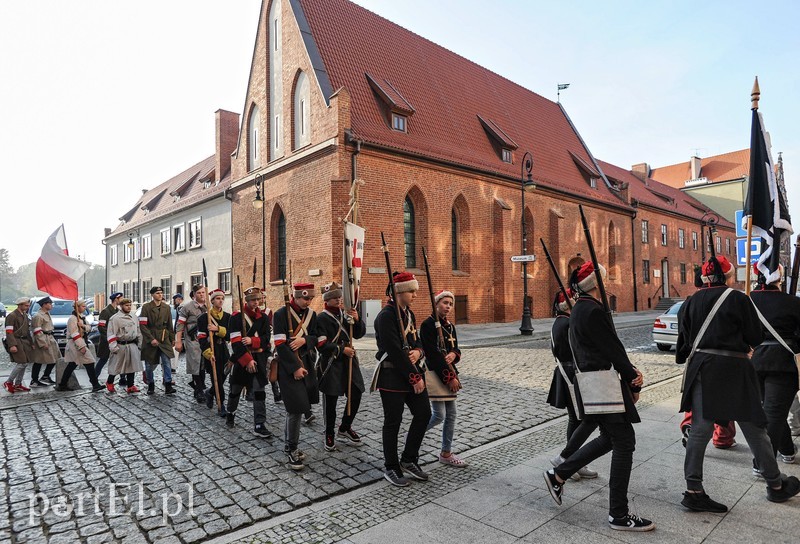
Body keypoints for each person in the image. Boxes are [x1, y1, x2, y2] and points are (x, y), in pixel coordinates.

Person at [677, 256, 800, 512]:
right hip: (734, 368)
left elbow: (683, 346)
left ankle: (694, 489)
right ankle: (775, 485)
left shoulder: (689, 302)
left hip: (702, 367)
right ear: (727, 276)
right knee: (755, 428)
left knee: (700, 430)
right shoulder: (737, 298)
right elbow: (754, 336)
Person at [544, 262, 654, 532]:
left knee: (611, 438)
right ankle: (618, 513)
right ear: (596, 284)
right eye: (604, 280)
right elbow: (613, 350)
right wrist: (632, 377)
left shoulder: (581, 308)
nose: (608, 284)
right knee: (624, 442)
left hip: (593, 382)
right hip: (602, 382)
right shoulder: (592, 310)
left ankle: (560, 474)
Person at [374, 271, 430, 487]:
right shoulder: (386, 316)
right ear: (400, 292)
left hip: (411, 372)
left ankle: (409, 458)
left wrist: (419, 353)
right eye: (412, 291)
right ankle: (391, 466)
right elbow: (394, 351)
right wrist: (415, 377)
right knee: (393, 423)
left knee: (423, 414)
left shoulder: (409, 313)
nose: (415, 295)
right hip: (392, 377)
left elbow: (417, 341)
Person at [545, 289, 598, 480]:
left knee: (576, 419)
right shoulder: (567, 323)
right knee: (580, 419)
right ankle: (570, 461)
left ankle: (576, 461)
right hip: (571, 374)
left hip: (566, 372)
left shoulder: (560, 321)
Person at [750, 263, 800, 464]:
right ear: (779, 278)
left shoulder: (748, 299)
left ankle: (787, 450)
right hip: (781, 363)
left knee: (774, 411)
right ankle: (761, 463)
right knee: (774, 413)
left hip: (754, 362)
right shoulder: (793, 302)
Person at [274, 282, 322, 470]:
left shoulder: (312, 315)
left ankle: (289, 445)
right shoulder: (280, 315)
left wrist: (305, 340)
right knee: (295, 408)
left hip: (307, 363)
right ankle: (291, 448)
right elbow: (280, 344)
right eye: (304, 298)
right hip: (288, 367)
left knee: (299, 408)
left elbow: (317, 337)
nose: (307, 301)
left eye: (310, 298)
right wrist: (294, 368)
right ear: (294, 296)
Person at [317, 281, 367, 452]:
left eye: (339, 297)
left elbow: (358, 334)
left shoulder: (345, 314)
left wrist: (357, 319)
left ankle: (345, 427)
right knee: (331, 400)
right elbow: (321, 345)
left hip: (349, 361)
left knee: (356, 393)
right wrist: (341, 349)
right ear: (327, 300)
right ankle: (329, 433)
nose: (339, 300)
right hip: (332, 363)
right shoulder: (321, 318)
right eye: (335, 298)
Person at [420, 289, 467, 467]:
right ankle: (414, 436)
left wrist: (455, 355)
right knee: (439, 415)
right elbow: (432, 354)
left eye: (450, 304)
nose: (448, 307)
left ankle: (446, 453)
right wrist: (450, 378)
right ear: (436, 303)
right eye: (444, 303)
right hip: (437, 373)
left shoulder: (450, 326)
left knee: (451, 415)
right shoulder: (428, 325)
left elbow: (456, 348)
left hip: (449, 372)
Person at [227, 287, 274, 439]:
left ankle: (259, 424)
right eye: (253, 300)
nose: (256, 302)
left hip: (258, 359)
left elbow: (267, 340)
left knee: (259, 392)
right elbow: (235, 342)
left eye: (258, 299)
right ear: (246, 301)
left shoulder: (264, 318)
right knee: (235, 390)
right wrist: (247, 360)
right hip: (242, 359)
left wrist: (252, 341)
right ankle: (230, 413)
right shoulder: (236, 317)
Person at [56, 300, 104, 392]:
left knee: (73, 364)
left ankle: (62, 384)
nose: (85, 307)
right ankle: (95, 384)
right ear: (77, 307)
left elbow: (89, 327)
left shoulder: (82, 317)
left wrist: (83, 326)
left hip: (81, 342)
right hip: (76, 344)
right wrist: (81, 346)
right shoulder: (72, 319)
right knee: (88, 362)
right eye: (83, 306)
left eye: (85, 306)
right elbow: (74, 334)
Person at [198, 288, 231, 417]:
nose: (220, 301)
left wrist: (217, 329)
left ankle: (210, 392)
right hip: (211, 350)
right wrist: (208, 353)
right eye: (218, 298)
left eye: (222, 298)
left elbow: (229, 335)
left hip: (223, 349)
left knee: (223, 375)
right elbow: (201, 338)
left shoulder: (228, 317)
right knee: (215, 377)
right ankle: (221, 404)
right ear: (212, 301)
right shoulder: (203, 318)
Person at [139, 286, 176, 395]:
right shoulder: (146, 307)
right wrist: (151, 339)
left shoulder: (166, 307)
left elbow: (170, 324)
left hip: (164, 338)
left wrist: (172, 338)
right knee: (149, 364)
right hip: (151, 337)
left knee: (166, 362)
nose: (160, 295)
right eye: (157, 293)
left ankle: (168, 385)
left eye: (161, 293)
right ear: (152, 295)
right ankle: (151, 385)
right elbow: (143, 325)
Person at [176, 285, 207, 402]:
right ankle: (199, 390)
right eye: (199, 293)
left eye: (203, 292)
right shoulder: (187, 308)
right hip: (192, 339)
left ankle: (198, 387)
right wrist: (179, 341)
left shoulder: (208, 306)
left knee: (203, 364)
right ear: (194, 294)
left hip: (205, 339)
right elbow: (180, 325)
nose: (202, 295)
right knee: (195, 364)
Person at [106, 298, 143, 394]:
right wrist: (113, 347)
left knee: (132, 366)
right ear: (121, 306)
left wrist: (140, 344)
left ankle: (130, 385)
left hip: (132, 344)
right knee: (116, 366)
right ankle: (110, 382)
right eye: (126, 305)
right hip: (120, 345)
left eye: (130, 305)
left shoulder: (134, 317)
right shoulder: (115, 318)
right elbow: (111, 333)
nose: (129, 307)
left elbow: (138, 331)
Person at [4, 297, 33, 392]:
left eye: (28, 305)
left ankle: (18, 384)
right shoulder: (12, 316)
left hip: (24, 342)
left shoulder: (25, 315)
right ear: (20, 305)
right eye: (26, 305)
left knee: (24, 363)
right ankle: (8, 382)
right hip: (16, 341)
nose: (28, 307)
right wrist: (12, 344)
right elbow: (9, 331)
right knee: (21, 363)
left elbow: (27, 331)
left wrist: (31, 342)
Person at [95, 292, 124, 385]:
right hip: (106, 341)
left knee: (120, 359)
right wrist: (109, 337)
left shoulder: (117, 311)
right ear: (116, 299)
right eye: (121, 298)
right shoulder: (105, 311)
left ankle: (122, 378)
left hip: (116, 340)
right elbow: (101, 326)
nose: (122, 300)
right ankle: (94, 379)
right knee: (103, 360)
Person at [30, 296, 60, 387]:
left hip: (50, 337)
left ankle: (46, 376)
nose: (52, 306)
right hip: (43, 338)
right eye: (50, 304)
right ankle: (34, 380)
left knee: (55, 358)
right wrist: (42, 343)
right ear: (44, 304)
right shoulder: (38, 316)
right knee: (39, 360)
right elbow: (37, 330)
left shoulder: (46, 313)